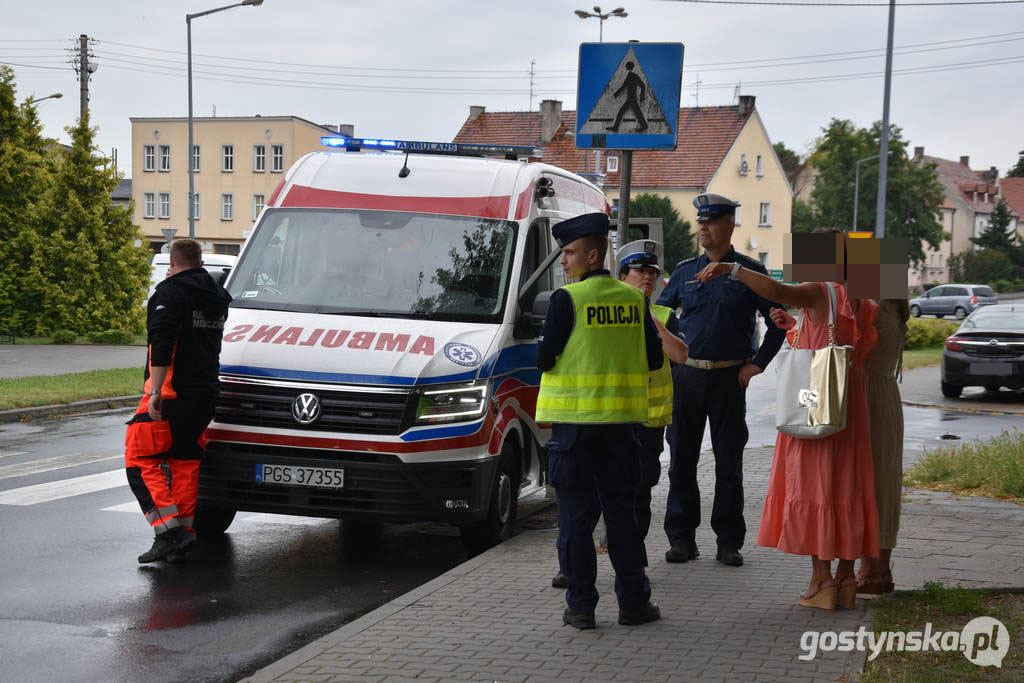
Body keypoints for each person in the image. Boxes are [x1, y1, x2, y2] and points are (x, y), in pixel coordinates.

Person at [695, 250, 880, 610]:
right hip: (847, 405)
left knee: (817, 483)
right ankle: (845, 576)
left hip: (814, 404)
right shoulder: (857, 299)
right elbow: (832, 347)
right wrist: (794, 330)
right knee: (846, 485)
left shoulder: (818, 290)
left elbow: (781, 292)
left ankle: (820, 578)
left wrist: (734, 269)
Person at [536, 213, 663, 629]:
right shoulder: (634, 300)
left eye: (569, 252)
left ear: (593, 254)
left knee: (575, 521)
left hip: (574, 431)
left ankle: (582, 607)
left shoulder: (566, 300)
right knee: (622, 519)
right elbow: (655, 358)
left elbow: (544, 358)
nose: (563, 261)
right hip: (623, 430)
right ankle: (633, 603)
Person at [550, 239, 690, 589]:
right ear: (621, 275)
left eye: (653, 273)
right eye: (640, 271)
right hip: (606, 417)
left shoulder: (663, 315)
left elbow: (680, 354)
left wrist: (646, 317)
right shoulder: (593, 304)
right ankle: (578, 569)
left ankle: (630, 570)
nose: (648, 278)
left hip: (646, 420)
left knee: (634, 500)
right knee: (590, 502)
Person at [656, 193, 785, 567]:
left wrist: (758, 364)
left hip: (731, 379)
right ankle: (681, 539)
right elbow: (661, 321)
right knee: (681, 460)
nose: (702, 229)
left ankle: (729, 542)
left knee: (729, 463)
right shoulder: (683, 272)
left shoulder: (749, 272)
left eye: (710, 222)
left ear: (729, 225)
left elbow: (779, 321)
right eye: (700, 222)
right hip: (688, 378)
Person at [125, 239, 232, 564]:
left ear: (172, 262)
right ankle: (185, 533)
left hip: (171, 395)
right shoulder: (217, 297)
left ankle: (168, 532)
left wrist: (155, 390)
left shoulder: (171, 293)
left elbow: (163, 340)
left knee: (139, 459)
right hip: (204, 395)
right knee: (185, 462)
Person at [857, 299, 909, 594]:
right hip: (884, 394)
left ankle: (869, 571)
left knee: (868, 481)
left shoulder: (873, 304)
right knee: (884, 481)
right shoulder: (894, 304)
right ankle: (879, 570)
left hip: (866, 397)